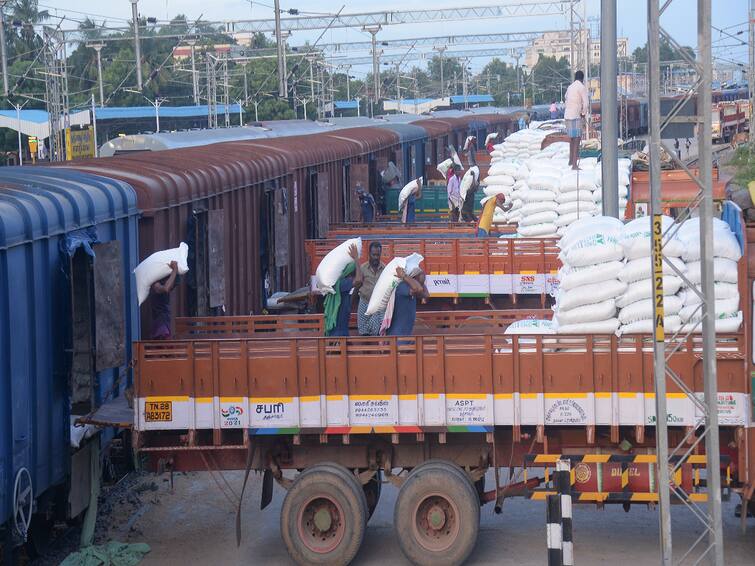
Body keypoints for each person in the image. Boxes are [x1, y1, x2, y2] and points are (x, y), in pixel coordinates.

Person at [324, 244, 362, 337]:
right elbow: (359, 280)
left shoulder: (338, 283)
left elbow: (356, 288)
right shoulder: (341, 284)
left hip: (341, 329)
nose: (351, 277)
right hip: (339, 332)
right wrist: (356, 259)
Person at [385, 267, 429, 336]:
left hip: (406, 331)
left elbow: (426, 295)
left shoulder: (413, 286)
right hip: (397, 334)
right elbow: (419, 289)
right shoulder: (402, 286)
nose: (420, 285)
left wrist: (420, 282)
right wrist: (404, 276)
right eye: (418, 282)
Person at [354, 241, 385, 336]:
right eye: (373, 254)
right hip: (364, 303)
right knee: (364, 333)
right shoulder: (362, 268)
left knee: (379, 332)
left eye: (378, 255)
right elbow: (357, 286)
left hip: (379, 305)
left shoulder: (385, 269)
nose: (376, 257)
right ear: (369, 254)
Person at [564, 70, 590, 170]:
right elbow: (586, 103)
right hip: (575, 115)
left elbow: (566, 97)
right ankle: (574, 165)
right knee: (577, 139)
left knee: (571, 138)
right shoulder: (581, 87)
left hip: (567, 114)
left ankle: (571, 160)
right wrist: (583, 113)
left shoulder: (570, 87)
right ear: (582, 78)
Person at [150, 260, 179, 340]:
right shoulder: (156, 285)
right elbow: (166, 288)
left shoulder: (161, 284)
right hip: (160, 325)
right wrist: (174, 270)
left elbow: (169, 286)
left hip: (164, 322)